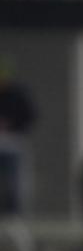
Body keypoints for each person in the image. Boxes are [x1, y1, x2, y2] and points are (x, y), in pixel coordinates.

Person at [0, 56, 36, 215]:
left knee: (15, 186)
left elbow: (30, 116)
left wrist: (12, 126)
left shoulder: (17, 94)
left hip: (13, 144)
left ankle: (14, 215)